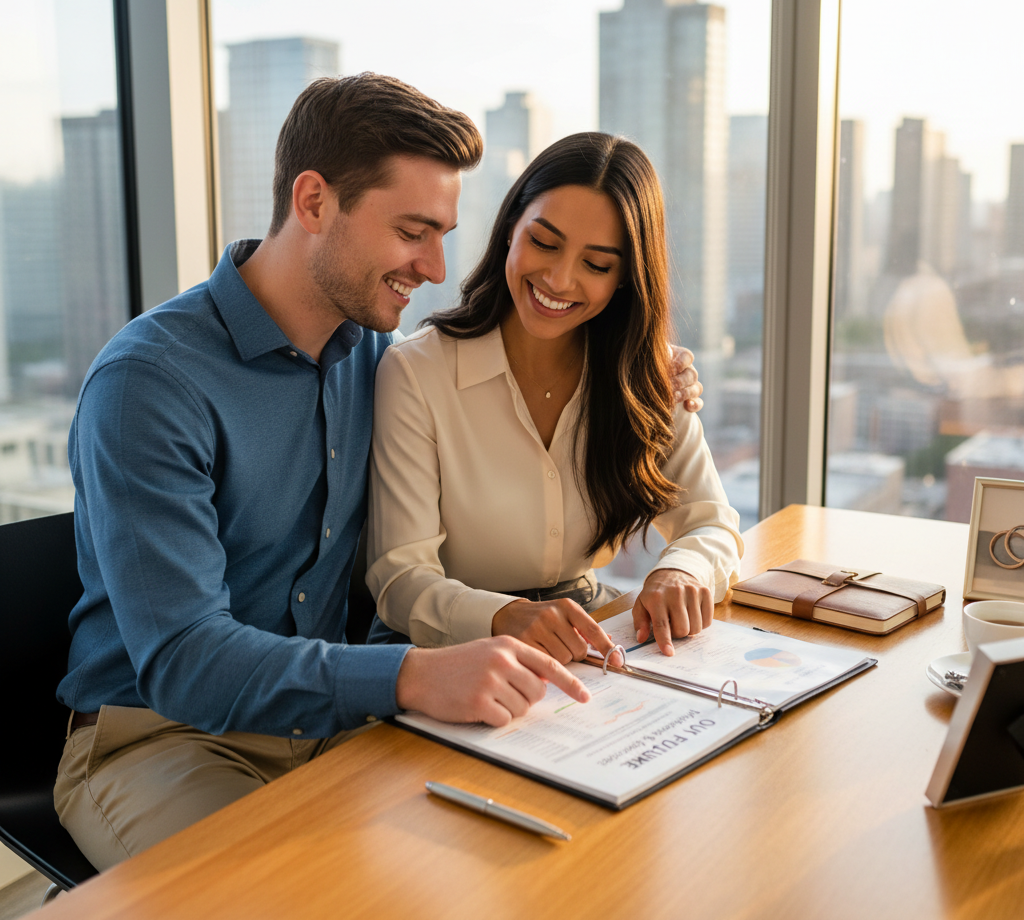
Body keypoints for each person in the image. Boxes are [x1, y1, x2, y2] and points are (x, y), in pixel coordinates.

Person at [53, 73, 603, 871]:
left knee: (530, 854)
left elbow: (512, 374)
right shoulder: (150, 383)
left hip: (334, 724)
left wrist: (651, 368)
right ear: (314, 203)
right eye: (414, 230)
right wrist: (411, 676)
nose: (437, 266)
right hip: (165, 737)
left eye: (445, 233)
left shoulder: (378, 359)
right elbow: (185, 660)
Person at [366, 132, 743, 665]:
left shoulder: (653, 374)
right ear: (509, 231)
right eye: (544, 242)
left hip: (593, 630)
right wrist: (501, 617)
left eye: (596, 264)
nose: (559, 279)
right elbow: (400, 577)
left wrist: (682, 569)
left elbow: (710, 520)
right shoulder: (417, 375)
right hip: (450, 651)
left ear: (624, 280)